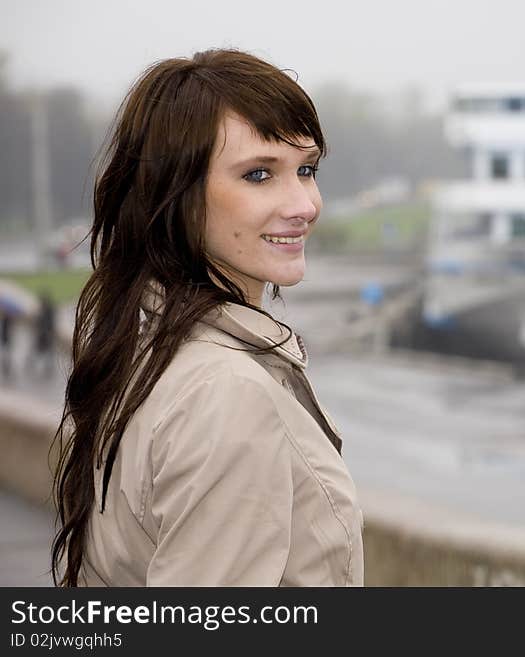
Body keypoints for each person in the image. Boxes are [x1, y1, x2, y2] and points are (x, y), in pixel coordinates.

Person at [50, 49, 364, 586]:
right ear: (176, 194)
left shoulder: (136, 340)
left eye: (306, 169)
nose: (304, 204)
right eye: (259, 174)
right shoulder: (227, 393)